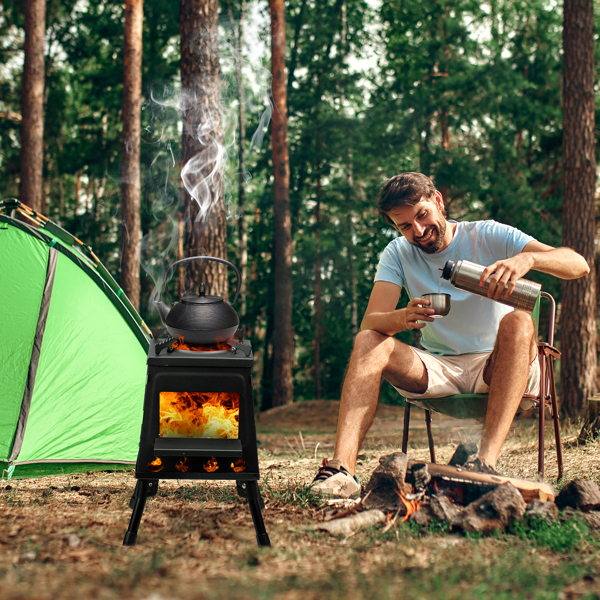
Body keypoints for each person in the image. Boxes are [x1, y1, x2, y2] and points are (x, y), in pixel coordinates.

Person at [311, 172, 589, 497]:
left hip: (497, 365)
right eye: (404, 226)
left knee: (520, 322)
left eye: (422, 215)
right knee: (367, 341)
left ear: (438, 201)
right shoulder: (398, 253)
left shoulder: (487, 234)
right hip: (438, 370)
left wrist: (527, 258)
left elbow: (579, 264)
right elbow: (371, 322)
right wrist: (402, 317)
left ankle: (483, 466)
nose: (417, 231)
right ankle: (341, 472)